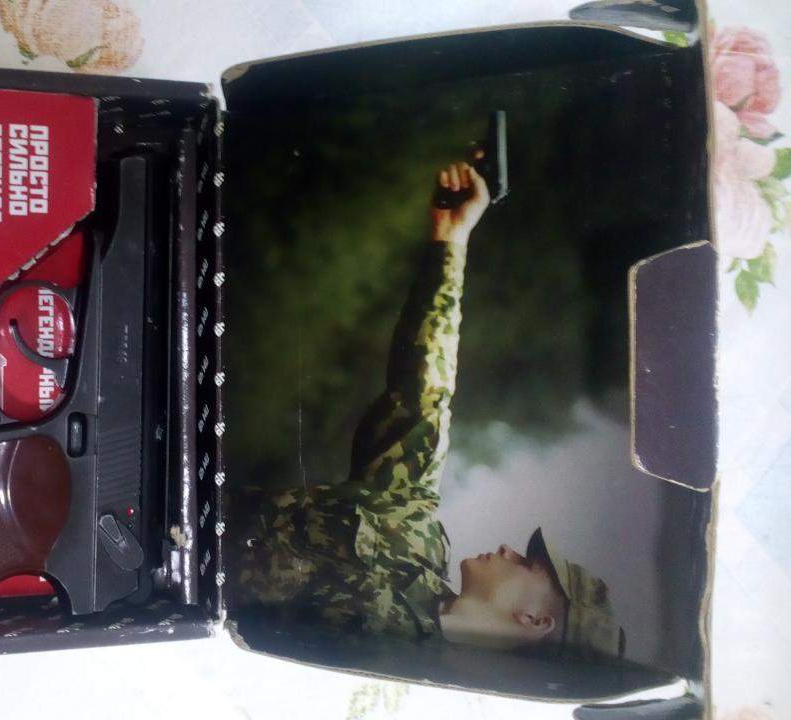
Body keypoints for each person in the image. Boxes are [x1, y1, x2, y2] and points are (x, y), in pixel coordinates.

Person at [228, 159, 624, 658]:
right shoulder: (412, 532)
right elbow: (426, 390)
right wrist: (451, 244)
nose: (508, 549)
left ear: (534, 620)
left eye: (527, 565)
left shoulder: (401, 668)